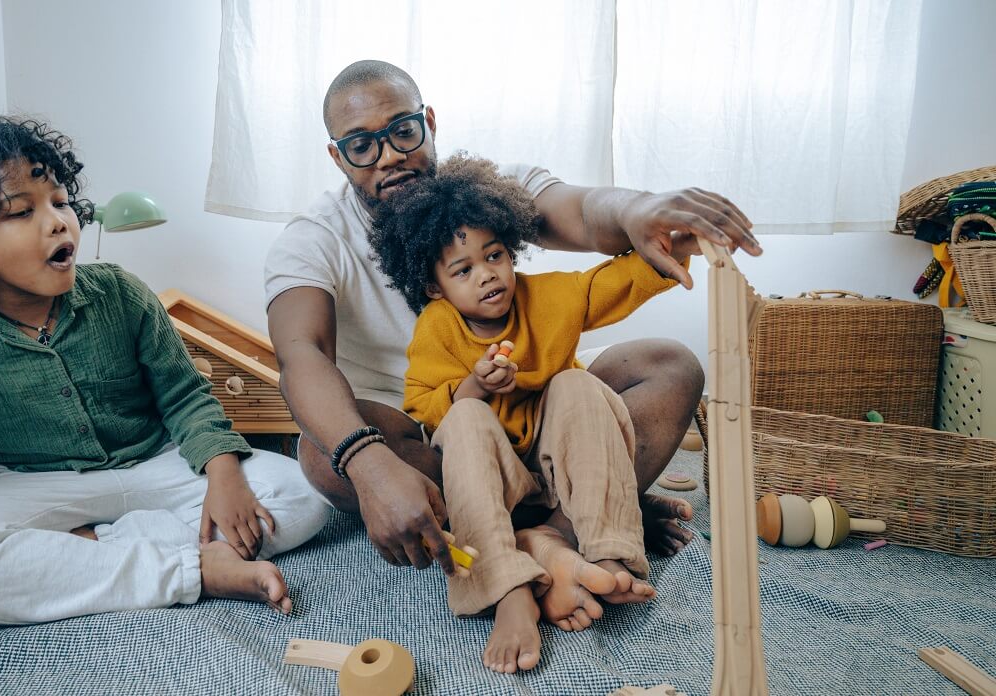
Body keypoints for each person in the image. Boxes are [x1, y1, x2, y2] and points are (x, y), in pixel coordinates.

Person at [264, 59, 760, 656]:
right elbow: (302, 354)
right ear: (337, 157)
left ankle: (553, 537)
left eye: (402, 131)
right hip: (433, 448)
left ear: (429, 122)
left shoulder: (486, 190)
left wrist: (636, 210)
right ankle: (564, 525)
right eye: (362, 145)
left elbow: (582, 212)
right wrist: (370, 468)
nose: (389, 155)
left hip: (550, 411)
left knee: (671, 365)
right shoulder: (313, 239)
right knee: (323, 452)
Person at [0, 106, 330, 625]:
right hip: (32, 486)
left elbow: (184, 396)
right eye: (21, 212)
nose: (57, 221)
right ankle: (195, 569)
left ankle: (88, 551)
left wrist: (224, 474)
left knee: (301, 492)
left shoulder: (118, 291)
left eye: (61, 202)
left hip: (160, 463)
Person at [367, 153, 700, 672]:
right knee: (466, 420)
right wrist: (473, 387)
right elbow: (423, 406)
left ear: (512, 250)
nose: (487, 275)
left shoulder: (545, 298)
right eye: (464, 269)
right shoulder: (436, 328)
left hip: (556, 464)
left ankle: (605, 548)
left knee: (574, 384)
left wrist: (664, 253)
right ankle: (507, 588)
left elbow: (603, 286)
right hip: (489, 479)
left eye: (495, 255)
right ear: (435, 287)